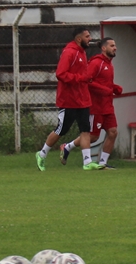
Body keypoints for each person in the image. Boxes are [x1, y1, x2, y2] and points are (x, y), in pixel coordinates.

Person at [36, 25, 99, 171]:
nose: (90, 39)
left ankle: (87, 162)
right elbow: (61, 74)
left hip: (82, 99)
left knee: (85, 130)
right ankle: (42, 153)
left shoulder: (82, 52)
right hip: (69, 100)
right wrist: (81, 78)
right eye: (87, 36)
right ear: (78, 39)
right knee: (61, 130)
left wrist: (86, 79)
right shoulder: (70, 52)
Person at [60, 37, 121, 169]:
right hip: (96, 106)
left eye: (115, 45)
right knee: (92, 136)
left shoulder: (109, 64)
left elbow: (104, 83)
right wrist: (104, 89)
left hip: (107, 106)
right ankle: (67, 147)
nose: (115, 48)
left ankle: (103, 163)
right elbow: (87, 81)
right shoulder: (96, 63)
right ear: (103, 48)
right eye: (111, 45)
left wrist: (114, 87)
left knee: (113, 132)